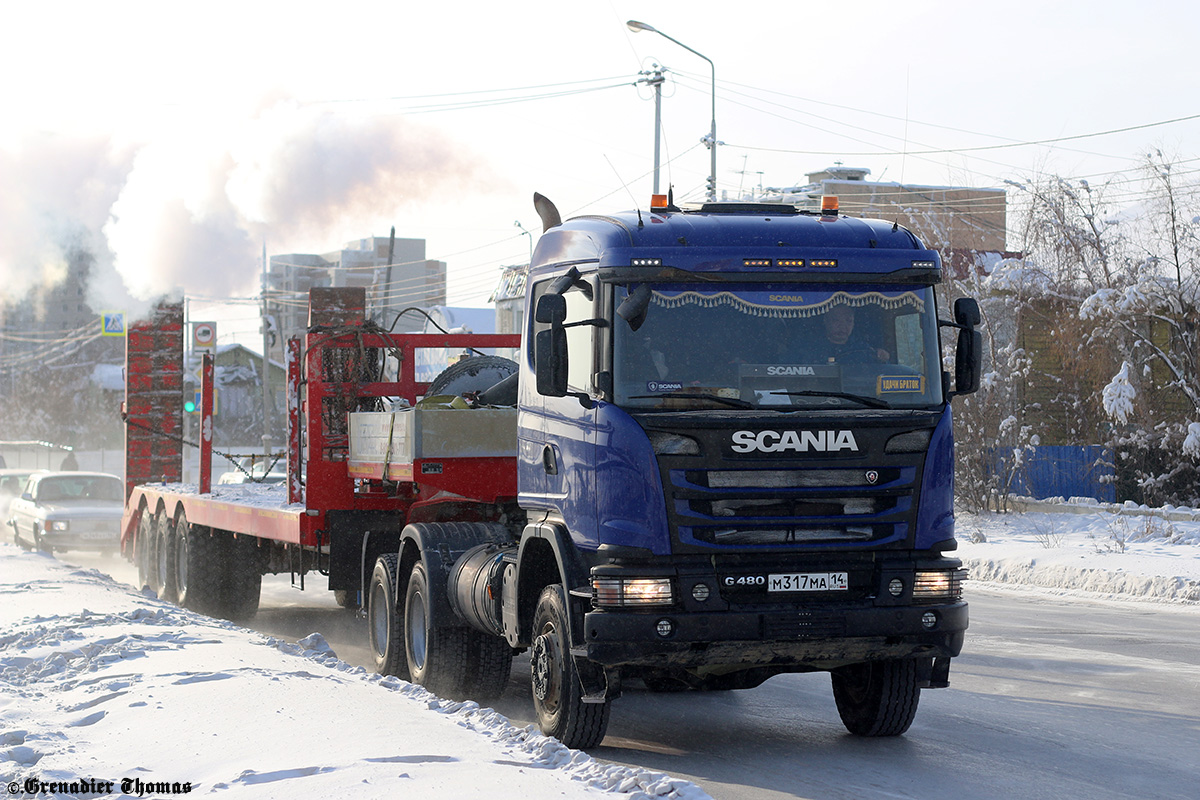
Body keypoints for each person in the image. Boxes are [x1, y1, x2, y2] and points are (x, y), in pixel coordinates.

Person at [811, 305, 889, 364]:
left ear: (853, 323)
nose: (842, 326)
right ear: (826, 321)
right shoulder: (812, 349)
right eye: (836, 320)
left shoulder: (863, 350)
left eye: (848, 320)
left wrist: (882, 357)